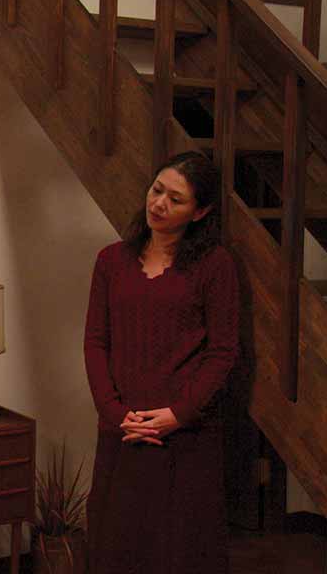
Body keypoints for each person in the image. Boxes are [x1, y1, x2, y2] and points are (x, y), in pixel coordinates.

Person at [83, 152, 239, 573]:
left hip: (185, 435)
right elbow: (96, 343)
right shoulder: (110, 260)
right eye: (157, 190)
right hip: (123, 429)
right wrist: (115, 413)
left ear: (200, 212)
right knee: (116, 548)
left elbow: (222, 352)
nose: (159, 204)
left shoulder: (215, 266)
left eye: (175, 199)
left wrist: (178, 414)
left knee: (180, 553)